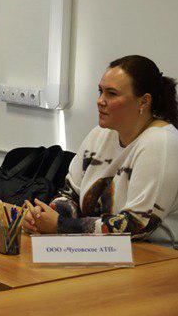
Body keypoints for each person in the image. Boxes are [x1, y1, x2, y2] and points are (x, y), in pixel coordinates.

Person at [24, 55, 178, 242]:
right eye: (100, 92)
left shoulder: (161, 142)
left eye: (111, 94)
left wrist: (59, 225)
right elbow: (70, 194)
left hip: (151, 253)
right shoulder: (100, 133)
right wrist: (42, 217)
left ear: (144, 101)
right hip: (95, 247)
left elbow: (137, 226)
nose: (100, 101)